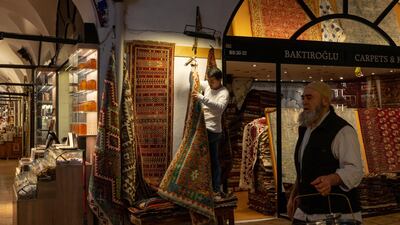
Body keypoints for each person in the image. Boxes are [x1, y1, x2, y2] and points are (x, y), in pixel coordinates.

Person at [287, 81, 364, 224]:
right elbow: (304, 170)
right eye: (303, 98)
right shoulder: (305, 129)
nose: (304, 102)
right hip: (305, 210)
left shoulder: (342, 131)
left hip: (336, 213)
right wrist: (294, 196)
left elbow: (355, 171)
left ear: (325, 101)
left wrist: (331, 179)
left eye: (309, 98)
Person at [192, 67, 229, 200]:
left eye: (213, 81)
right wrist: (194, 70)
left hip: (213, 131)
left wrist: (202, 98)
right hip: (203, 127)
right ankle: (203, 188)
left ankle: (215, 190)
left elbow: (219, 108)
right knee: (201, 159)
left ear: (219, 80)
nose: (210, 83)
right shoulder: (208, 85)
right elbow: (197, 82)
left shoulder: (224, 93)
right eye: (209, 80)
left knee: (213, 160)